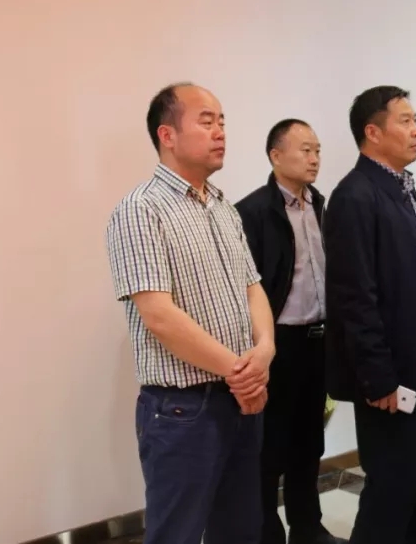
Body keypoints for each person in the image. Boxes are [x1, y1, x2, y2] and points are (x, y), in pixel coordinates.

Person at [105, 83, 275, 544]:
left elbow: (252, 287)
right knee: (175, 534)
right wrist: (241, 372)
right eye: (206, 121)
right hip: (184, 409)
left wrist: (264, 350)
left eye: (222, 122)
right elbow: (158, 316)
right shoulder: (140, 210)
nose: (220, 131)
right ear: (168, 135)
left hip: (241, 398)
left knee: (241, 529)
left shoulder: (223, 207)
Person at [323, 86, 416, 544]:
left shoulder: (400, 189)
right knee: (391, 490)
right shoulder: (354, 197)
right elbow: (354, 299)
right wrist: (379, 379)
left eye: (415, 119)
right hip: (393, 382)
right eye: (405, 121)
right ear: (373, 132)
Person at [235, 119, 340, 544]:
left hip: (319, 341)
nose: (314, 159)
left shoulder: (321, 205)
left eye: (317, 150)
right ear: (276, 156)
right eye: (304, 150)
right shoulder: (253, 212)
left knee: (309, 442)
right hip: (277, 345)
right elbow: (246, 288)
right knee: (269, 447)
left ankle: (307, 526)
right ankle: (266, 532)